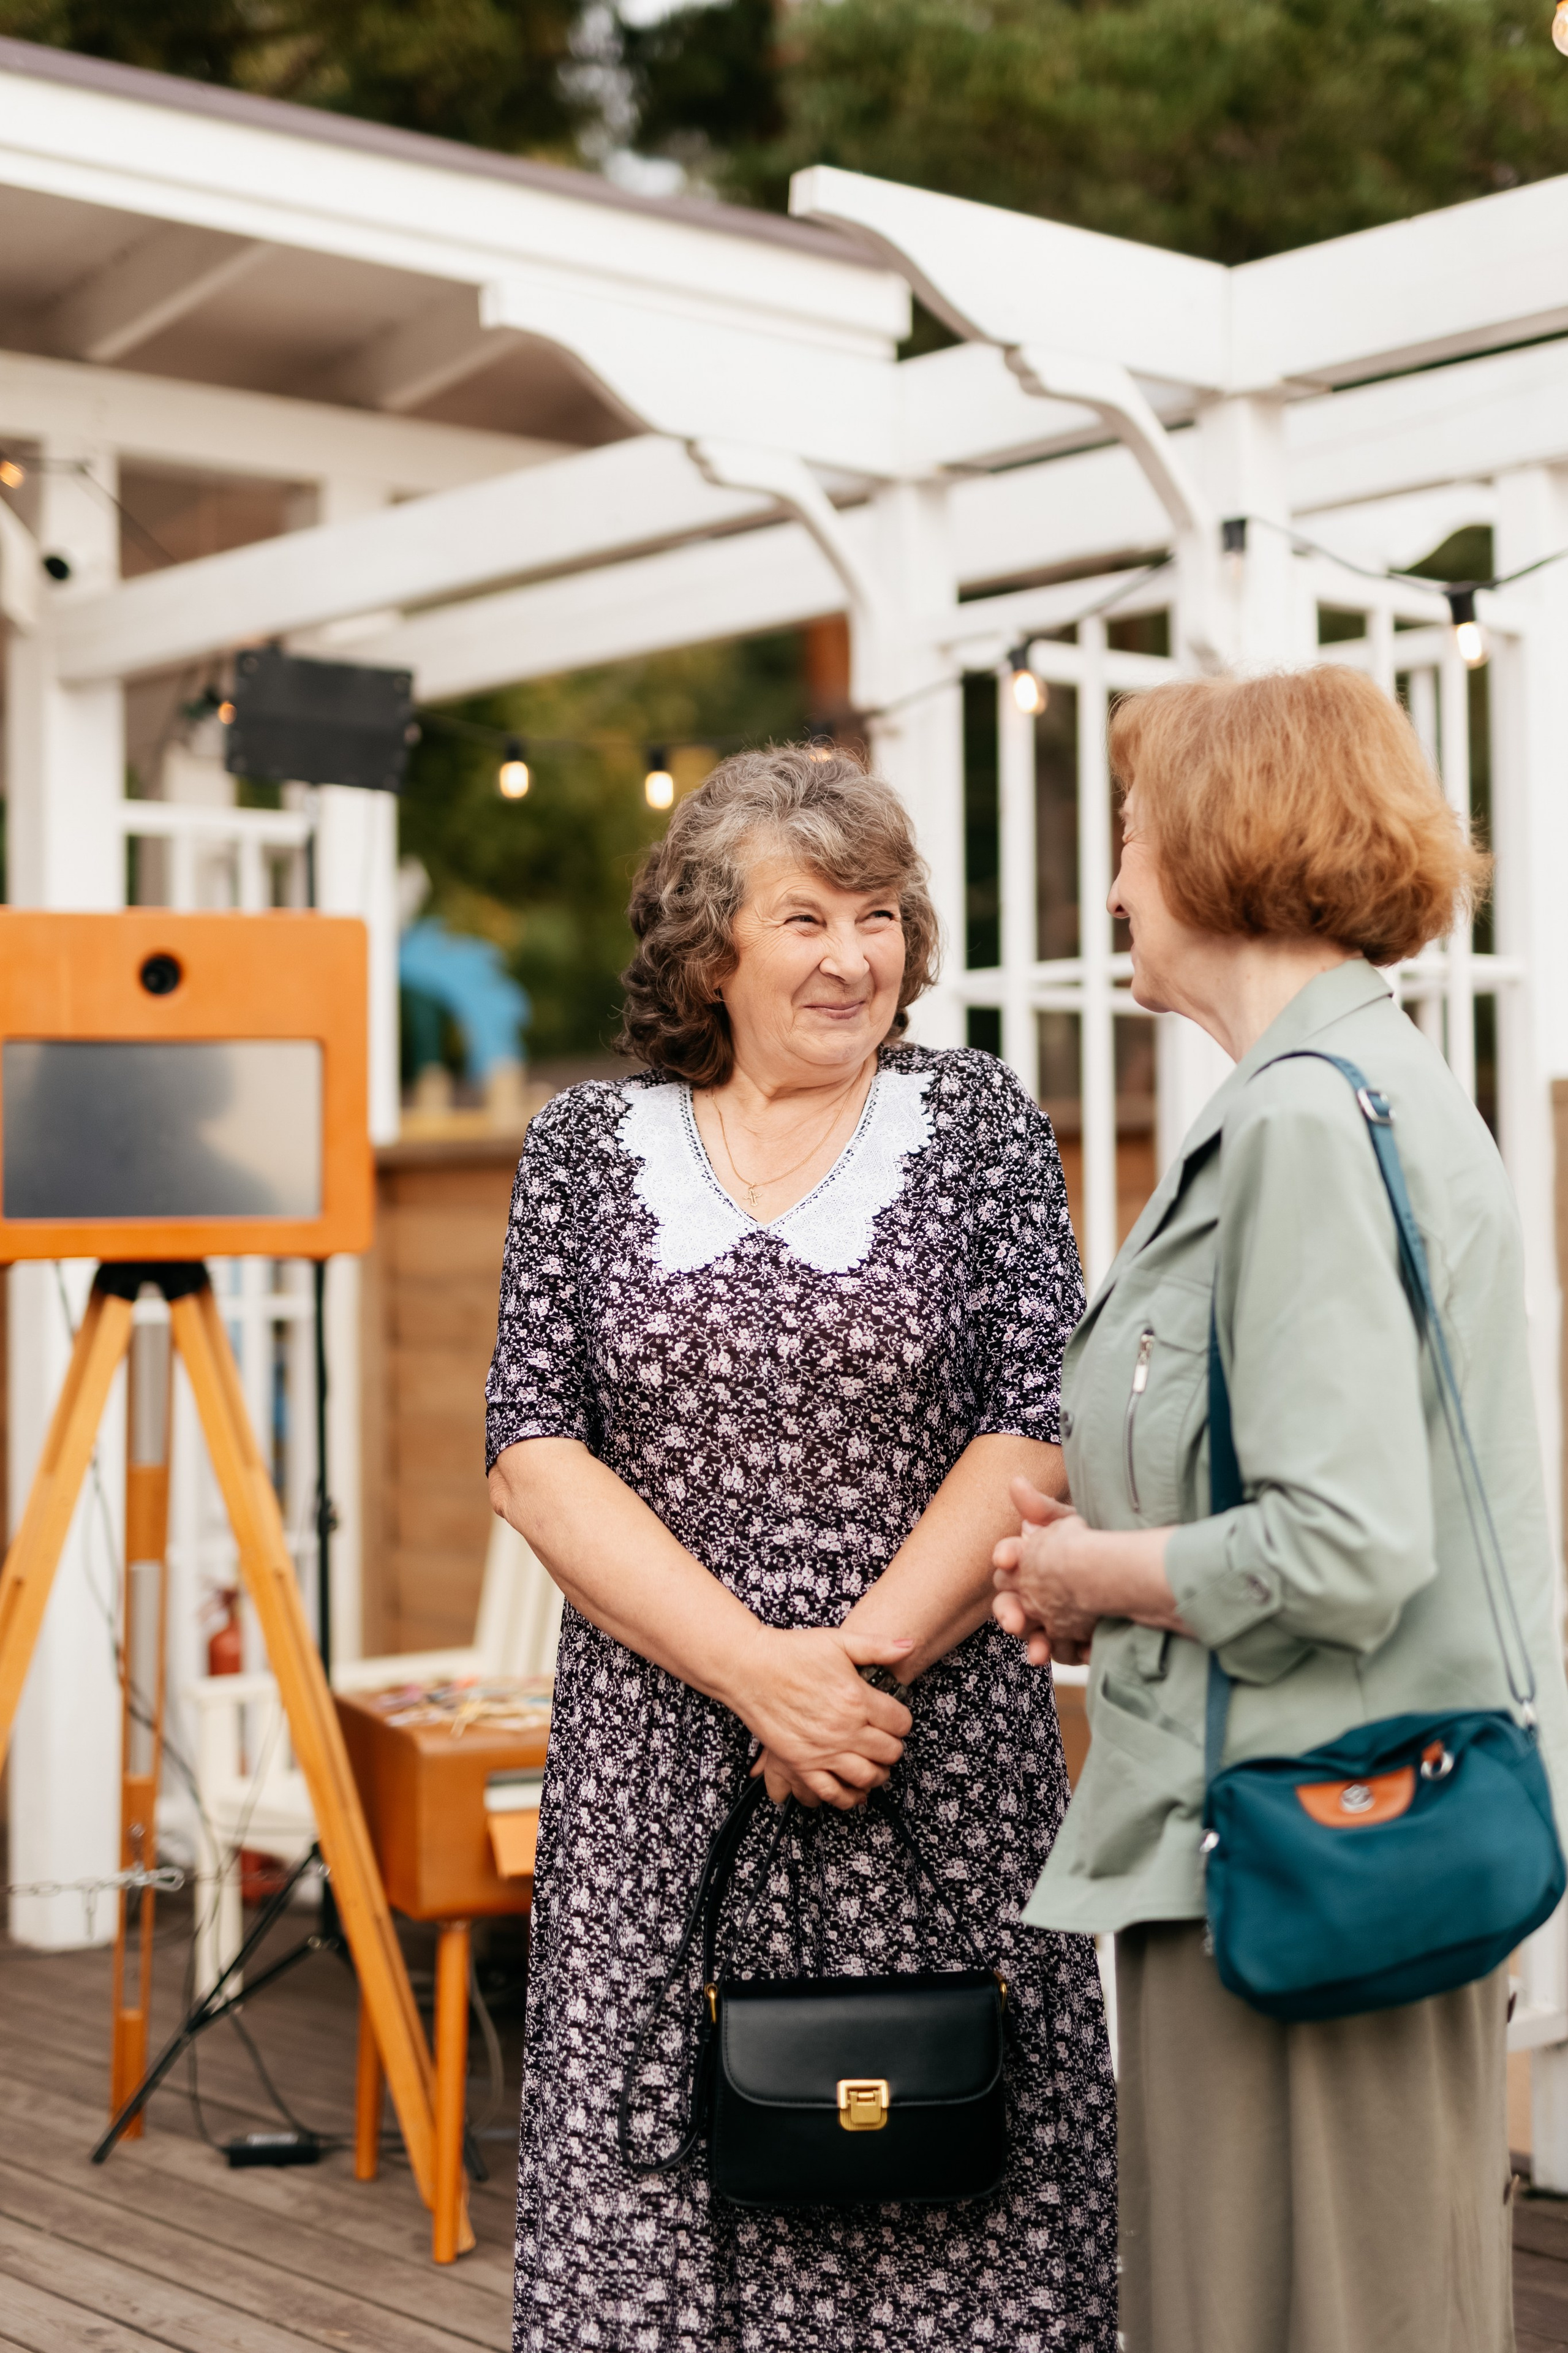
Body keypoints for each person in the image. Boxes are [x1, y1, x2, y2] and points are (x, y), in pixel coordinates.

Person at [487, 744, 1117, 2353]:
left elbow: (1037, 1422)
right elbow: (533, 1453)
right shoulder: (581, 1146)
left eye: (881, 915)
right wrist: (760, 1676)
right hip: (657, 1772)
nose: (854, 957)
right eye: (807, 917)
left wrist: (846, 1682)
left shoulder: (974, 1122)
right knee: (654, 2195)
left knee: (942, 2165)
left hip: (924, 1744)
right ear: (711, 948)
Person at [993, 666, 1568, 2353]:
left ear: (1218, 839)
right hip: (1327, 1845)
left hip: (1302, 1861)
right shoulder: (1359, 1087)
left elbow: (1343, 1542)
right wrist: (1113, 1574)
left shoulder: (1308, 1122)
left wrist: (1096, 1570)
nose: (1113, 887)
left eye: (1129, 836)